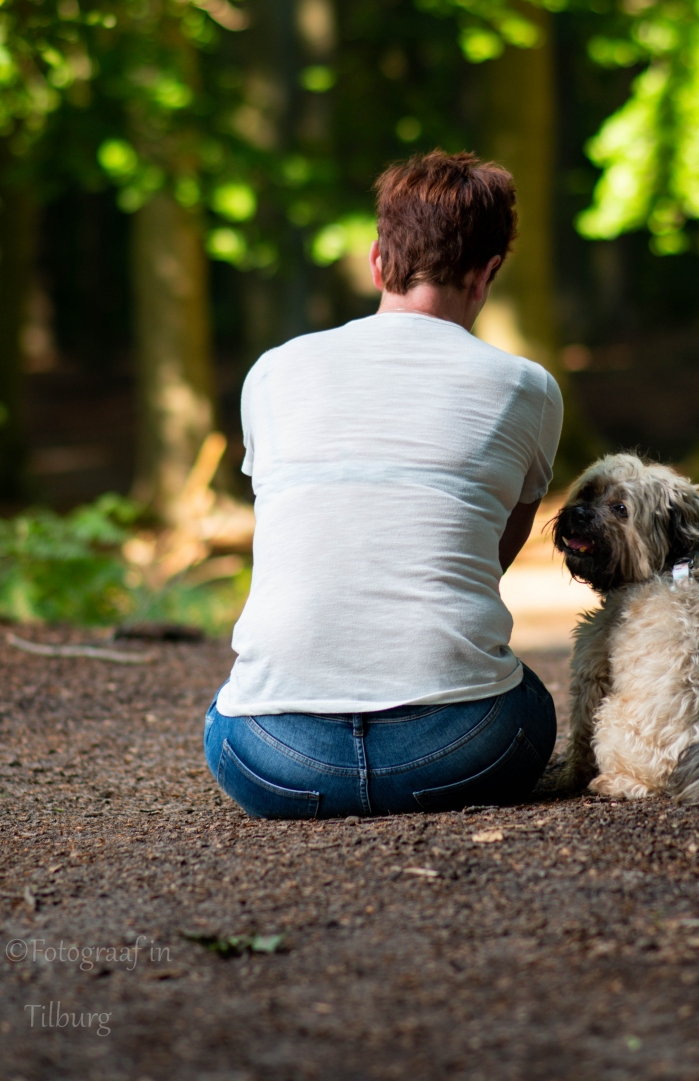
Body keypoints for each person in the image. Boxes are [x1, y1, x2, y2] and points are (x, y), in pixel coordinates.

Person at [204, 149, 563, 818]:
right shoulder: (527, 388)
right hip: (461, 749)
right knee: (529, 702)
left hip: (271, 757)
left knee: (227, 709)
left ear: (377, 260)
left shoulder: (273, 372)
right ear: (486, 275)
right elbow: (487, 558)